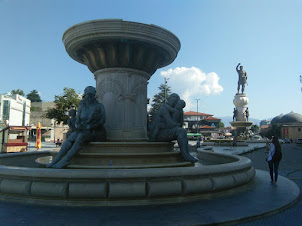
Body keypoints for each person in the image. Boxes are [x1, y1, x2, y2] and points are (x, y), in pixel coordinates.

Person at [47, 86, 106, 169]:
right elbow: (78, 119)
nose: (88, 97)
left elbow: (102, 121)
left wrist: (91, 126)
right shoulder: (82, 104)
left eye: (90, 95)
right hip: (83, 129)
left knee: (81, 136)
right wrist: (77, 125)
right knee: (71, 137)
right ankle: (56, 159)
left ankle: (66, 159)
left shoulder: (99, 106)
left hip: (95, 131)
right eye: (87, 95)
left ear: (94, 95)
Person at [149, 93, 197, 163]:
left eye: (175, 102)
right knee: (181, 131)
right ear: (168, 99)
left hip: (164, 131)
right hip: (158, 134)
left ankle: (185, 153)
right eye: (172, 100)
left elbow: (180, 124)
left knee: (181, 130)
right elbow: (170, 123)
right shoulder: (164, 108)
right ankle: (185, 155)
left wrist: (181, 113)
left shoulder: (174, 110)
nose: (173, 103)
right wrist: (176, 124)